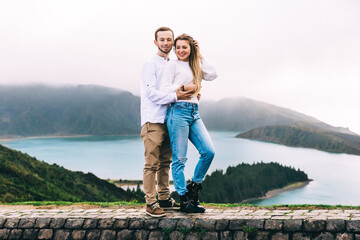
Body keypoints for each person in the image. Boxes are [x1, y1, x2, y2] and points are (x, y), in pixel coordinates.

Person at [140, 27, 194, 217]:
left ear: (173, 42)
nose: (166, 43)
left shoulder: (173, 63)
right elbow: (151, 94)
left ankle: (163, 198)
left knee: (165, 162)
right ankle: (150, 203)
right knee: (151, 164)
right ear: (156, 42)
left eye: (168, 39)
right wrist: (174, 95)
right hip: (152, 120)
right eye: (161, 39)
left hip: (169, 119)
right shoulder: (150, 64)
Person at [160, 33, 217, 213]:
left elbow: (213, 74)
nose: (180, 50)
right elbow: (164, 88)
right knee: (180, 159)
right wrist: (184, 88)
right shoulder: (172, 64)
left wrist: (200, 55)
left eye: (184, 47)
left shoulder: (196, 64)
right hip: (177, 112)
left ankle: (194, 188)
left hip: (194, 112)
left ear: (191, 48)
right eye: (178, 47)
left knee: (208, 152)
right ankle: (185, 200)